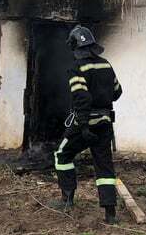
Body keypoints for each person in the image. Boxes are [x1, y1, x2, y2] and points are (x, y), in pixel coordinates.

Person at [52, 25, 123, 223]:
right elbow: (117, 92)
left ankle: (67, 199)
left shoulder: (77, 68)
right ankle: (110, 214)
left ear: (75, 47)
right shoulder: (106, 65)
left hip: (85, 124)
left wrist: (83, 126)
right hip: (105, 123)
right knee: (104, 166)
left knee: (62, 154)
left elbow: (82, 98)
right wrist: (102, 94)